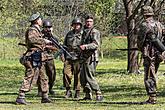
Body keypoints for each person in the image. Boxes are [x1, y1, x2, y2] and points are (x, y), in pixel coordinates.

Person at [16, 12, 54, 104]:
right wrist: (44, 41)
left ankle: (45, 96)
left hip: (38, 56)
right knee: (30, 75)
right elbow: (32, 40)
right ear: (37, 21)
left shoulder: (38, 30)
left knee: (43, 76)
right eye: (40, 19)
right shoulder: (32, 30)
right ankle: (21, 96)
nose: (42, 21)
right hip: (32, 56)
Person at [137, 6, 165, 104]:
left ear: (144, 14)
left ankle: (152, 97)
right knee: (153, 73)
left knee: (149, 75)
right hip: (159, 54)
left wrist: (142, 48)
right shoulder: (159, 24)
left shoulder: (144, 25)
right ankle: (152, 96)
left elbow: (140, 41)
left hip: (149, 53)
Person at [79, 14, 103, 101]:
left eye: (90, 21)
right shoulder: (84, 31)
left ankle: (98, 93)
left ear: (93, 22)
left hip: (91, 58)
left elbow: (96, 45)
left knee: (89, 76)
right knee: (83, 77)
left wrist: (86, 46)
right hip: (84, 57)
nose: (88, 23)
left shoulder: (94, 32)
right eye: (87, 21)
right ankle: (88, 94)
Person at [62, 18, 83, 99]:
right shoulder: (69, 34)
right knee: (66, 73)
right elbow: (64, 45)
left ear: (80, 25)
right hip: (68, 56)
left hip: (78, 57)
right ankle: (68, 90)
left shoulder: (83, 34)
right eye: (74, 24)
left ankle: (77, 92)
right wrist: (63, 55)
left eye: (78, 24)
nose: (76, 26)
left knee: (78, 75)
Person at [37, 19, 57, 96]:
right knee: (41, 74)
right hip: (40, 56)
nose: (48, 29)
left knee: (52, 74)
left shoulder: (53, 36)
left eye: (49, 27)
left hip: (50, 57)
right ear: (43, 27)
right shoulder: (39, 35)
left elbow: (56, 47)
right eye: (46, 27)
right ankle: (40, 90)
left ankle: (50, 88)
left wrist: (50, 47)